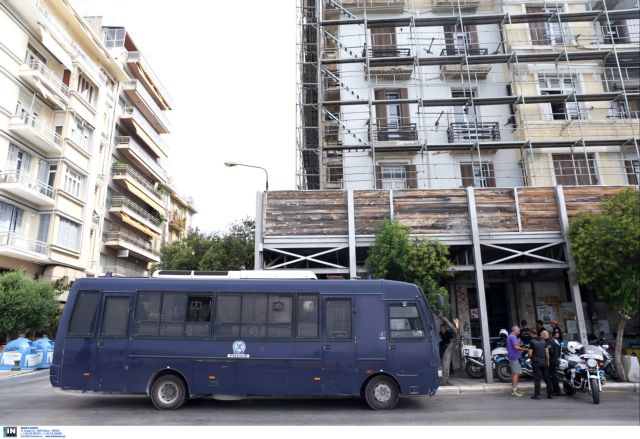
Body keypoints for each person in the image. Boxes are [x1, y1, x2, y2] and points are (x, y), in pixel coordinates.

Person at [529, 330, 554, 399]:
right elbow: (547, 353)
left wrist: (532, 358)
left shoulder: (532, 341)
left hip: (536, 362)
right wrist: (548, 361)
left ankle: (537, 395)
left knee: (537, 379)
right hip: (544, 362)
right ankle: (550, 394)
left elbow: (530, 353)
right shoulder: (544, 341)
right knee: (547, 378)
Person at [507, 325, 527, 397]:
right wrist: (525, 349)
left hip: (512, 356)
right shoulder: (513, 337)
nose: (519, 332)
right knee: (516, 373)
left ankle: (514, 389)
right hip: (514, 357)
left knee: (513, 373)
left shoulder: (510, 336)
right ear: (514, 330)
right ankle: (515, 390)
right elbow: (516, 347)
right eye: (518, 331)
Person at [543, 330, 562, 396]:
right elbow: (559, 349)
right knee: (553, 376)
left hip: (552, 361)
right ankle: (555, 390)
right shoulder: (552, 340)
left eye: (542, 335)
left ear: (545, 335)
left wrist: (549, 360)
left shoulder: (549, 342)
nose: (541, 336)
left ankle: (556, 391)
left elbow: (550, 352)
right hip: (554, 360)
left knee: (553, 377)